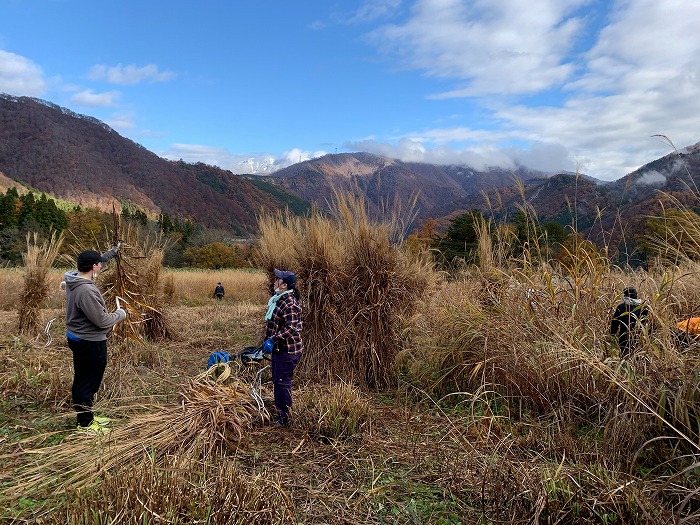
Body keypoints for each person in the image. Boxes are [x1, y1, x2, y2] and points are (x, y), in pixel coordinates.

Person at [64, 247, 127, 434]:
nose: (102, 265)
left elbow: (101, 261)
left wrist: (112, 252)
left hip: (78, 337)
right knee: (89, 381)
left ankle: (87, 415)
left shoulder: (74, 278)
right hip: (89, 341)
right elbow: (102, 321)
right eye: (100, 263)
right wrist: (120, 314)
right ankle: (85, 424)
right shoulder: (86, 291)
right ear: (94, 266)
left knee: (82, 377)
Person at [261, 268, 303, 427]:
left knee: (282, 382)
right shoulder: (279, 299)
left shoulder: (289, 302)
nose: (274, 281)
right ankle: (282, 411)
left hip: (287, 351)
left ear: (284, 285)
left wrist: (272, 339)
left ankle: (284, 416)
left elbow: (292, 328)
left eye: (277, 279)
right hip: (280, 350)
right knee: (278, 381)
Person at [610, 286, 649, 358]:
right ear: (636, 295)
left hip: (624, 337)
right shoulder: (644, 307)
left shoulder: (621, 307)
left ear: (625, 295)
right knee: (638, 356)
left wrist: (612, 333)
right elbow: (647, 323)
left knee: (624, 356)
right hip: (639, 337)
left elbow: (615, 322)